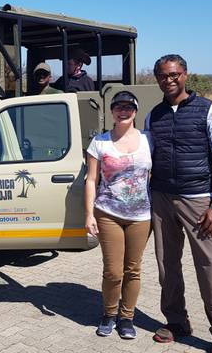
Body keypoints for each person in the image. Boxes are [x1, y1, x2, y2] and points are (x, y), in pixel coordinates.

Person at [144, 54, 212, 353]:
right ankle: (177, 321)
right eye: (162, 75)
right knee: (167, 264)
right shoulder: (153, 115)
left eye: (174, 74)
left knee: (210, 266)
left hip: (197, 200)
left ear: (185, 75)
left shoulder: (208, 110)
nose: (168, 80)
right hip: (161, 198)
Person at [85, 91, 152, 339]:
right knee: (113, 270)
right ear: (111, 112)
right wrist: (89, 214)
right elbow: (91, 180)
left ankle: (127, 318)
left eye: (129, 107)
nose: (123, 112)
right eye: (118, 107)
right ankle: (109, 314)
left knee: (133, 269)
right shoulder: (99, 142)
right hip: (108, 212)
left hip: (141, 216)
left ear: (136, 111)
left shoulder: (148, 140)